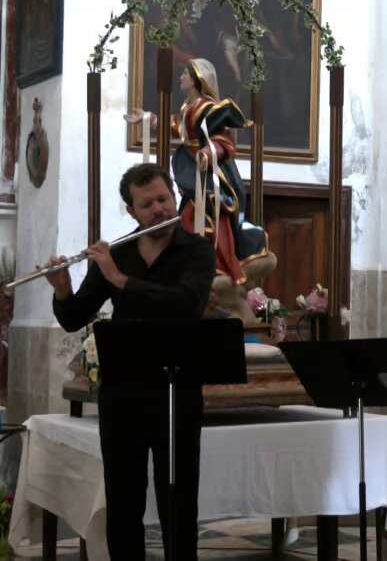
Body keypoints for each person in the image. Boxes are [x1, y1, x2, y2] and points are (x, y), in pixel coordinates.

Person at [44, 163, 216, 559]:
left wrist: (119, 279)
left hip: (177, 395)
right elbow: (74, 318)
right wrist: (63, 290)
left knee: (179, 501)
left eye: (163, 198)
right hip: (122, 394)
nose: (158, 208)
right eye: (147, 203)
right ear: (131, 211)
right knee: (123, 503)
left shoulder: (198, 251)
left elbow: (185, 304)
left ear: (174, 197)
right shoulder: (117, 253)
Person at [125, 58, 268, 285]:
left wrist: (210, 151)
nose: (180, 77)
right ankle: (192, 266)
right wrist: (148, 118)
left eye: (185, 73)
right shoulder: (186, 108)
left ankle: (217, 266)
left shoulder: (209, 108)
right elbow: (175, 126)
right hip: (190, 167)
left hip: (208, 172)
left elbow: (224, 140)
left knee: (208, 209)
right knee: (189, 211)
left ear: (196, 79)